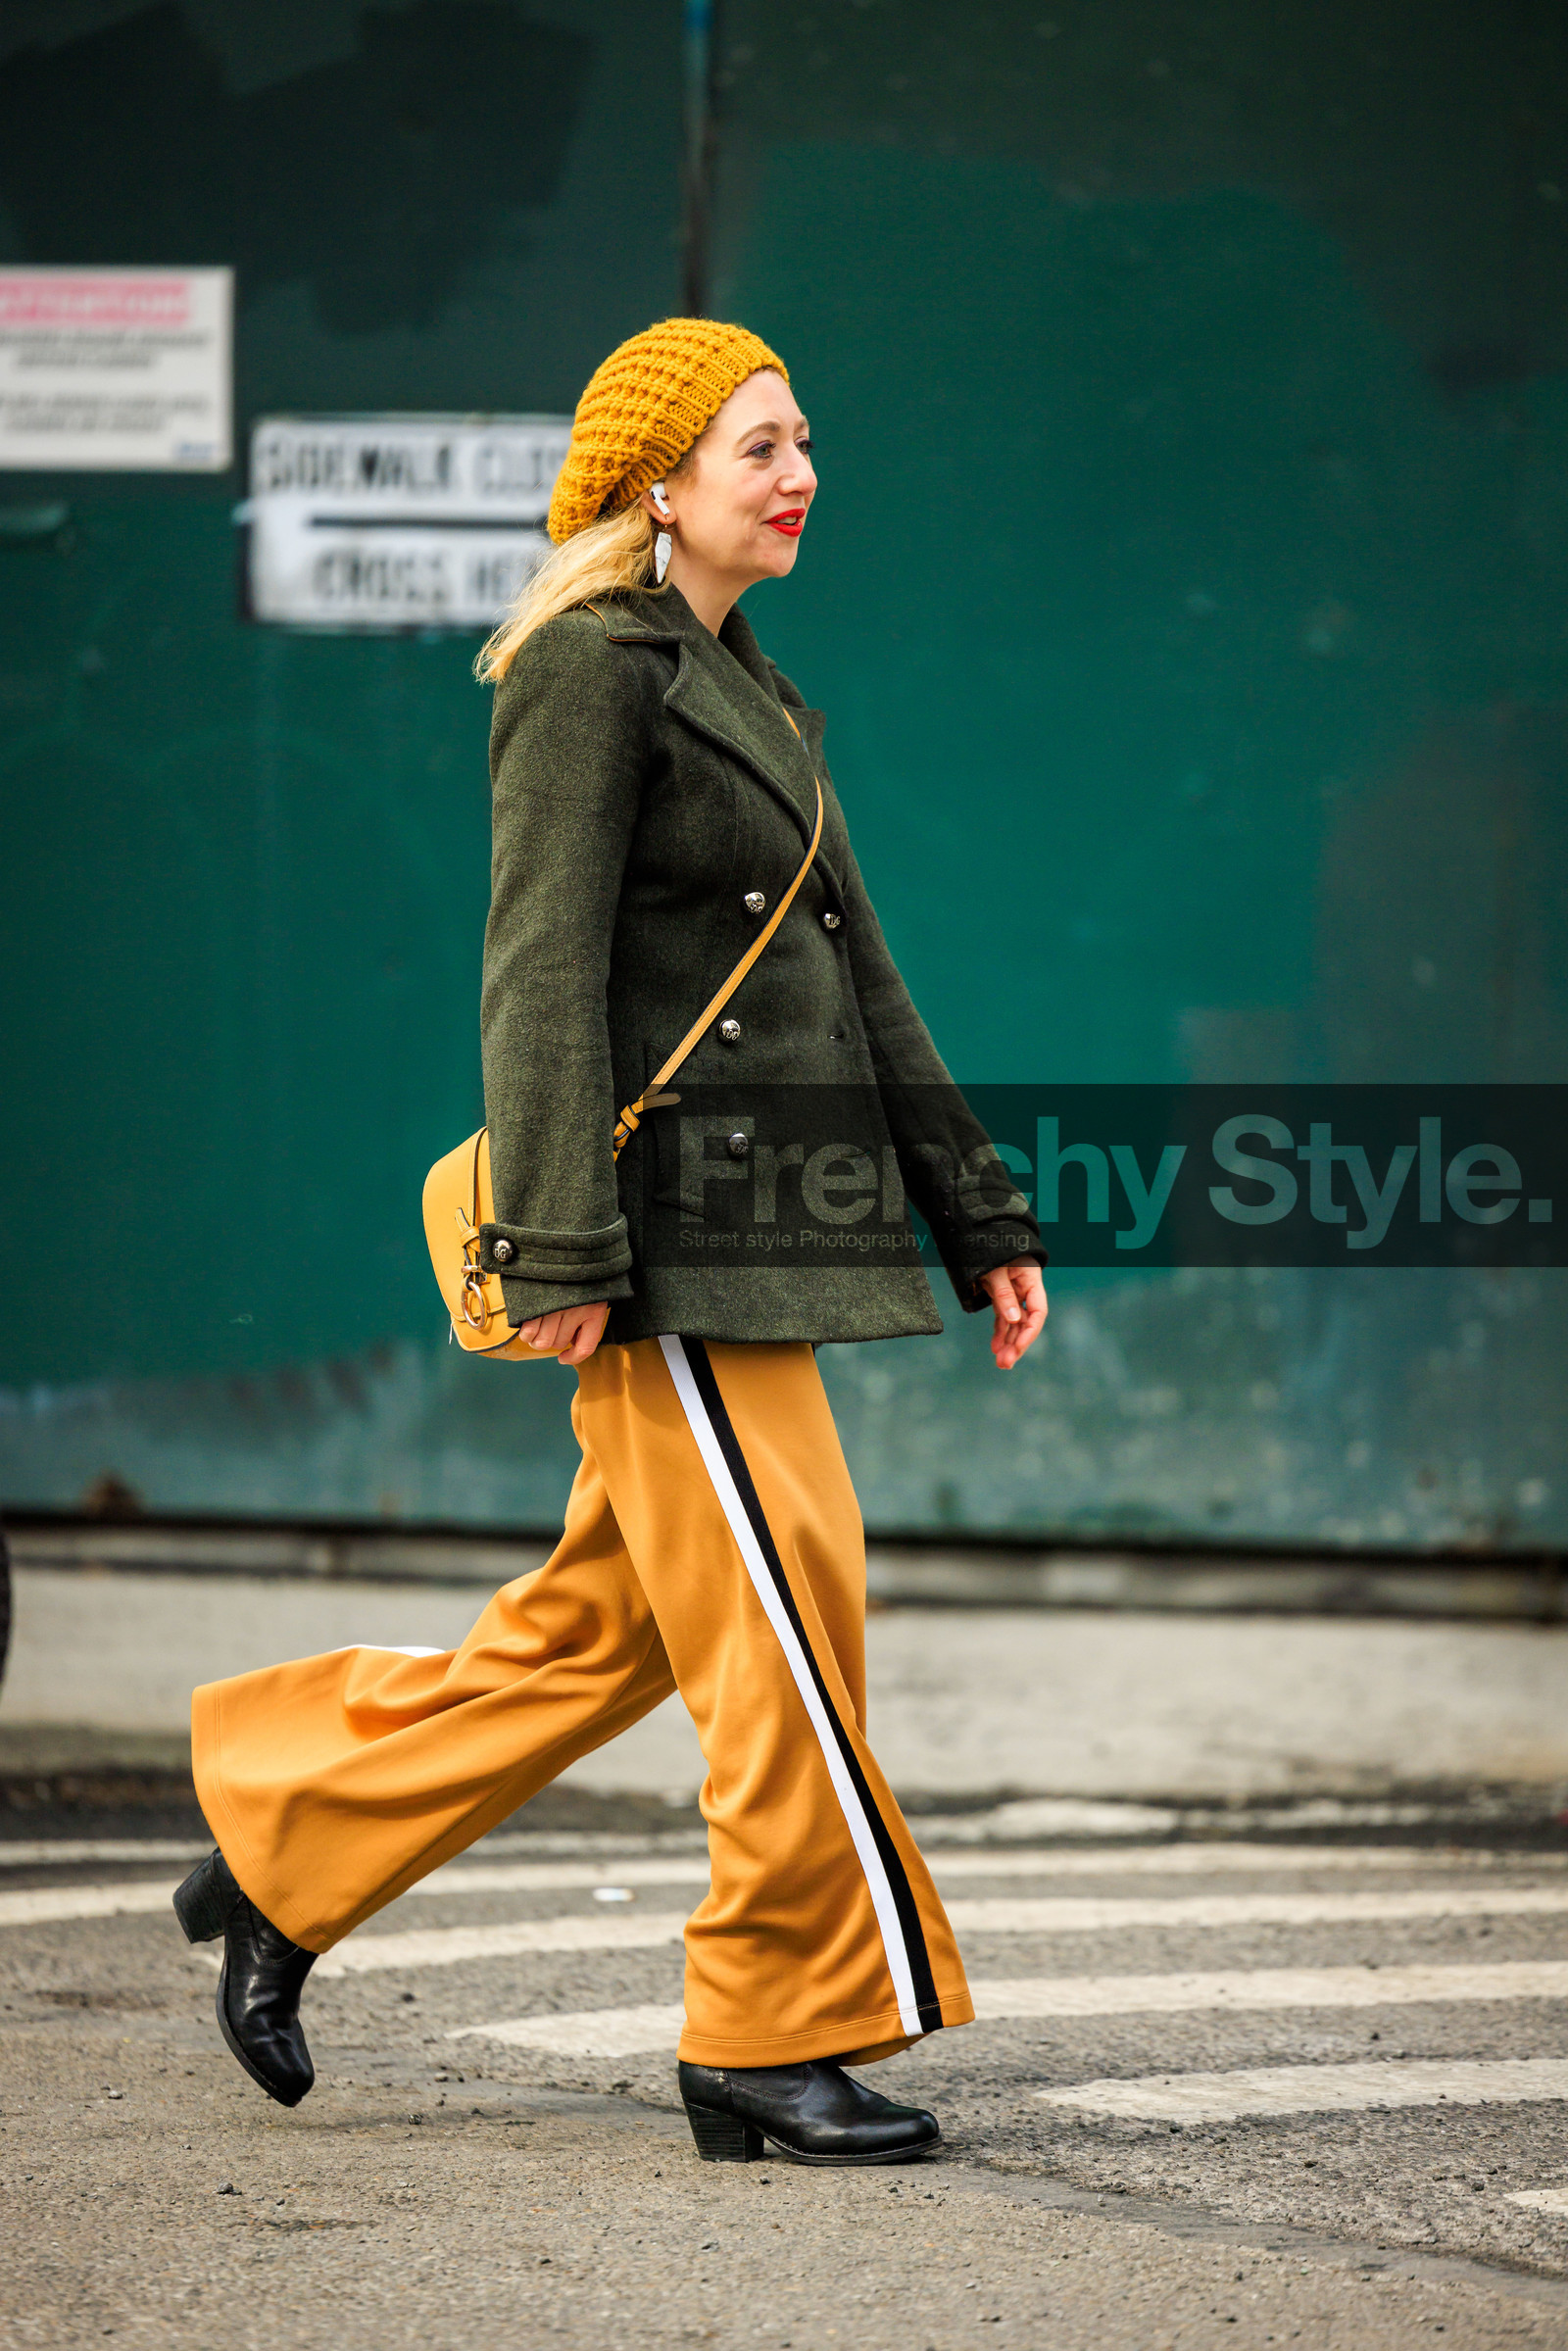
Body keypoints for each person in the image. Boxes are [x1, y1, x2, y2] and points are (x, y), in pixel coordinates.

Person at [174, 318, 1049, 2167]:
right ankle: (766, 2028)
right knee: (794, 1629)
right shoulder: (589, 670)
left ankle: (288, 1835)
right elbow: (537, 973)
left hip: (770, 1230)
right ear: (657, 483)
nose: (799, 471)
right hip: (668, 1255)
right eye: (759, 445)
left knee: (609, 1633)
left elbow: (857, 975)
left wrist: (979, 1210)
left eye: (805, 437)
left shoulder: (758, 690)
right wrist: (561, 1245)